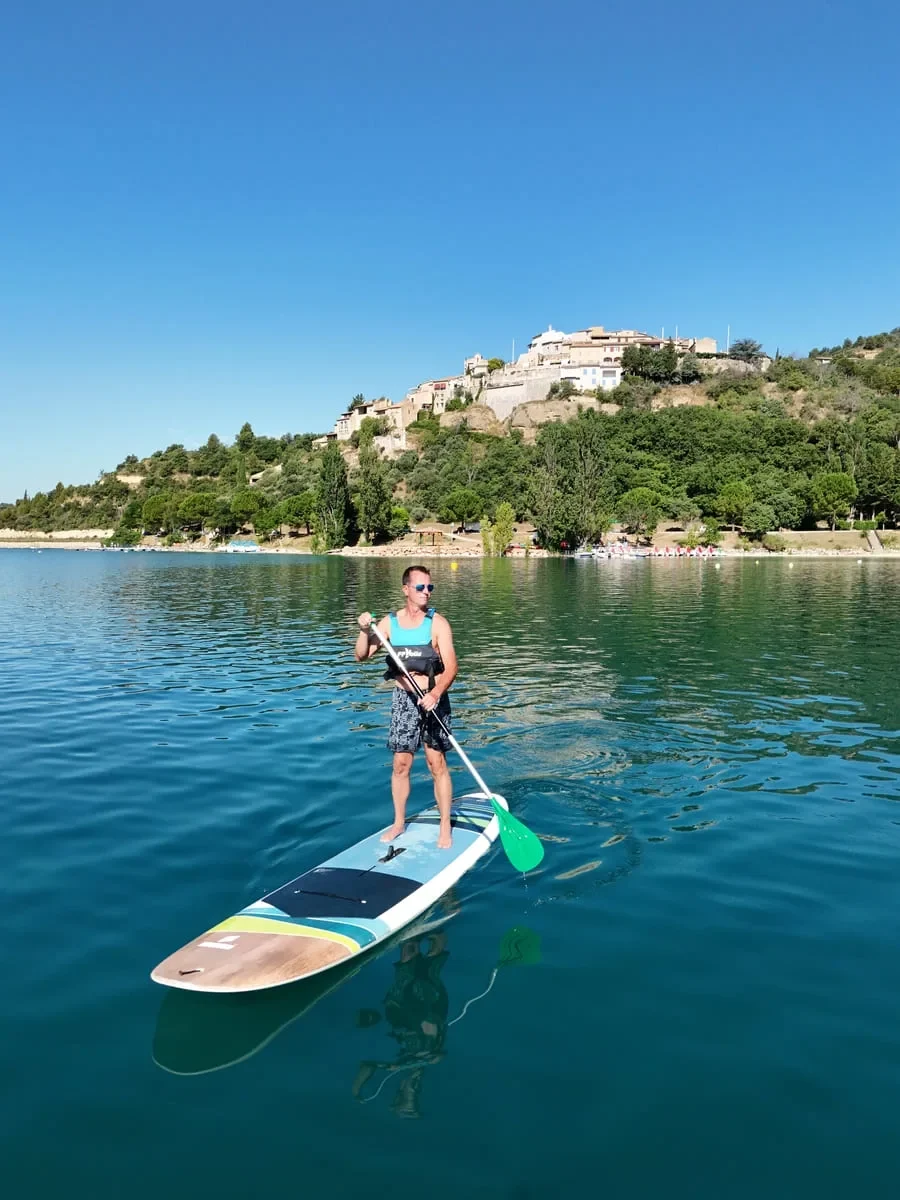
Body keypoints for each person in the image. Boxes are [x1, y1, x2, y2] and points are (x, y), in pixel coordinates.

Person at [355, 565, 458, 848]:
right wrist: (364, 631)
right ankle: (399, 823)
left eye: (430, 588)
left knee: (436, 762)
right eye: (420, 587)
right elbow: (361, 656)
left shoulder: (438, 624)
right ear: (406, 590)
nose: (426, 592)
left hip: (432, 697)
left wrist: (436, 692)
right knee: (401, 764)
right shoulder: (389, 623)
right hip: (403, 699)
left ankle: (445, 824)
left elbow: (452, 668)